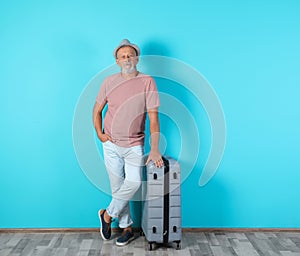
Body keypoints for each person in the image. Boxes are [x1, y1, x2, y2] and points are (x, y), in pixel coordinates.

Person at [93, 39, 163, 246]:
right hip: (111, 144)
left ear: (137, 58)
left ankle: (106, 215)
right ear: (117, 61)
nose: (127, 59)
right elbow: (96, 111)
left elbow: (154, 118)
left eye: (130, 55)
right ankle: (127, 229)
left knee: (132, 182)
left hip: (134, 144)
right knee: (117, 188)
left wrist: (155, 149)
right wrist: (99, 133)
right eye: (122, 56)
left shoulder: (147, 81)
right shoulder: (108, 82)